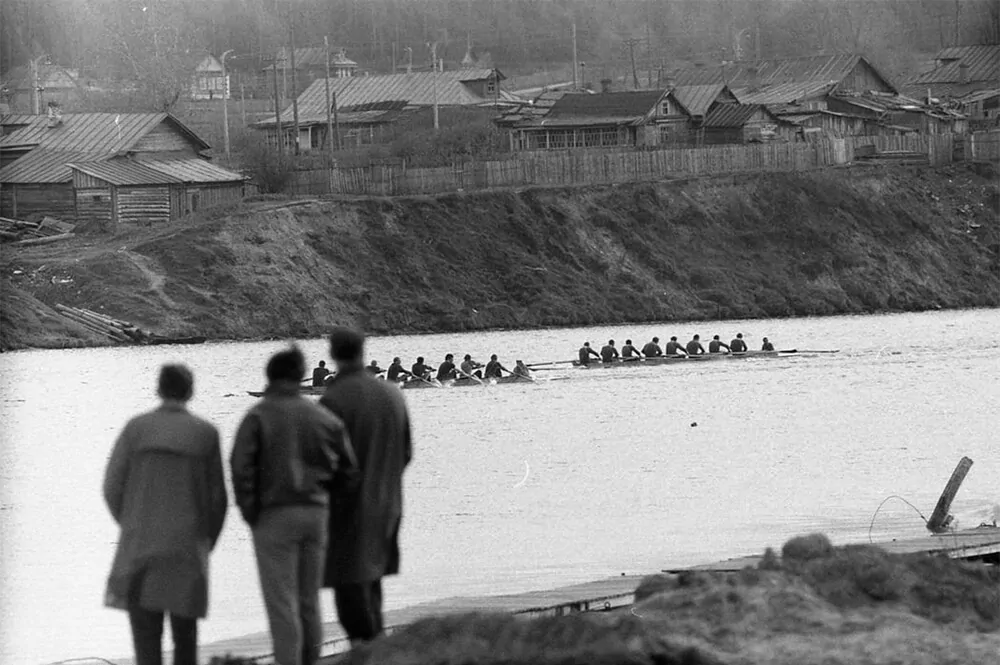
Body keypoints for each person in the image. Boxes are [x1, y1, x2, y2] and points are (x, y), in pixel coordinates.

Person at [231, 347, 358, 665]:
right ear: (300, 375)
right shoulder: (324, 417)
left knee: (281, 602)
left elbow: (240, 467)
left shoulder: (257, 416)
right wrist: (331, 507)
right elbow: (348, 471)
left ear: (269, 376)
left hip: (273, 515)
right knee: (309, 599)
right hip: (316, 514)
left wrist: (250, 511)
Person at [103, 364, 228, 665]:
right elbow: (218, 500)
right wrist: (206, 541)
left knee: (146, 636)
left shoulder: (136, 429)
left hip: (141, 547)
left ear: (158, 389)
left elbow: (111, 487)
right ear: (190, 391)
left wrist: (132, 524)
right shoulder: (205, 433)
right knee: (185, 636)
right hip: (187, 548)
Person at [319, 328, 413, 647]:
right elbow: (406, 453)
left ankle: (367, 652)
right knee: (372, 583)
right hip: (388, 503)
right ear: (363, 350)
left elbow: (325, 463)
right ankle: (377, 648)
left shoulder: (332, 400)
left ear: (333, 354)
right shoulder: (393, 394)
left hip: (348, 507)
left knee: (349, 586)